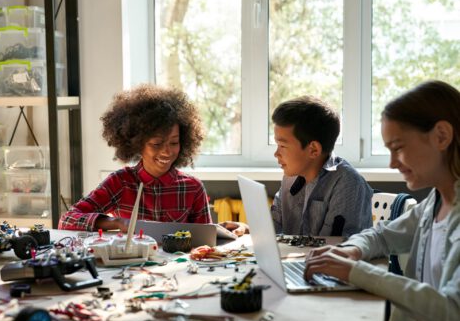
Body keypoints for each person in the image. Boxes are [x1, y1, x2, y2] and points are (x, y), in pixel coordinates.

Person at [304, 80, 460, 321]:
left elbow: (451, 314)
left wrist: (357, 272)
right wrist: (353, 250)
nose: (392, 163)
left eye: (398, 147)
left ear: (441, 136)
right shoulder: (435, 203)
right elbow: (382, 236)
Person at [59, 84, 212, 231]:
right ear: (138, 144)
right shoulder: (121, 182)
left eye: (174, 142)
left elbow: (206, 241)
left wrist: (223, 230)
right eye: (157, 143)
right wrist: (118, 222)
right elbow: (67, 220)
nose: (167, 151)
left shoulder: (193, 188)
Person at [222, 96, 373, 237]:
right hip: (299, 261)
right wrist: (247, 230)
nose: (276, 153)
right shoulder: (290, 179)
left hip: (330, 264)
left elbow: (335, 248)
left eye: (282, 145)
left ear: (313, 149)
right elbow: (274, 229)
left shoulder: (348, 184)